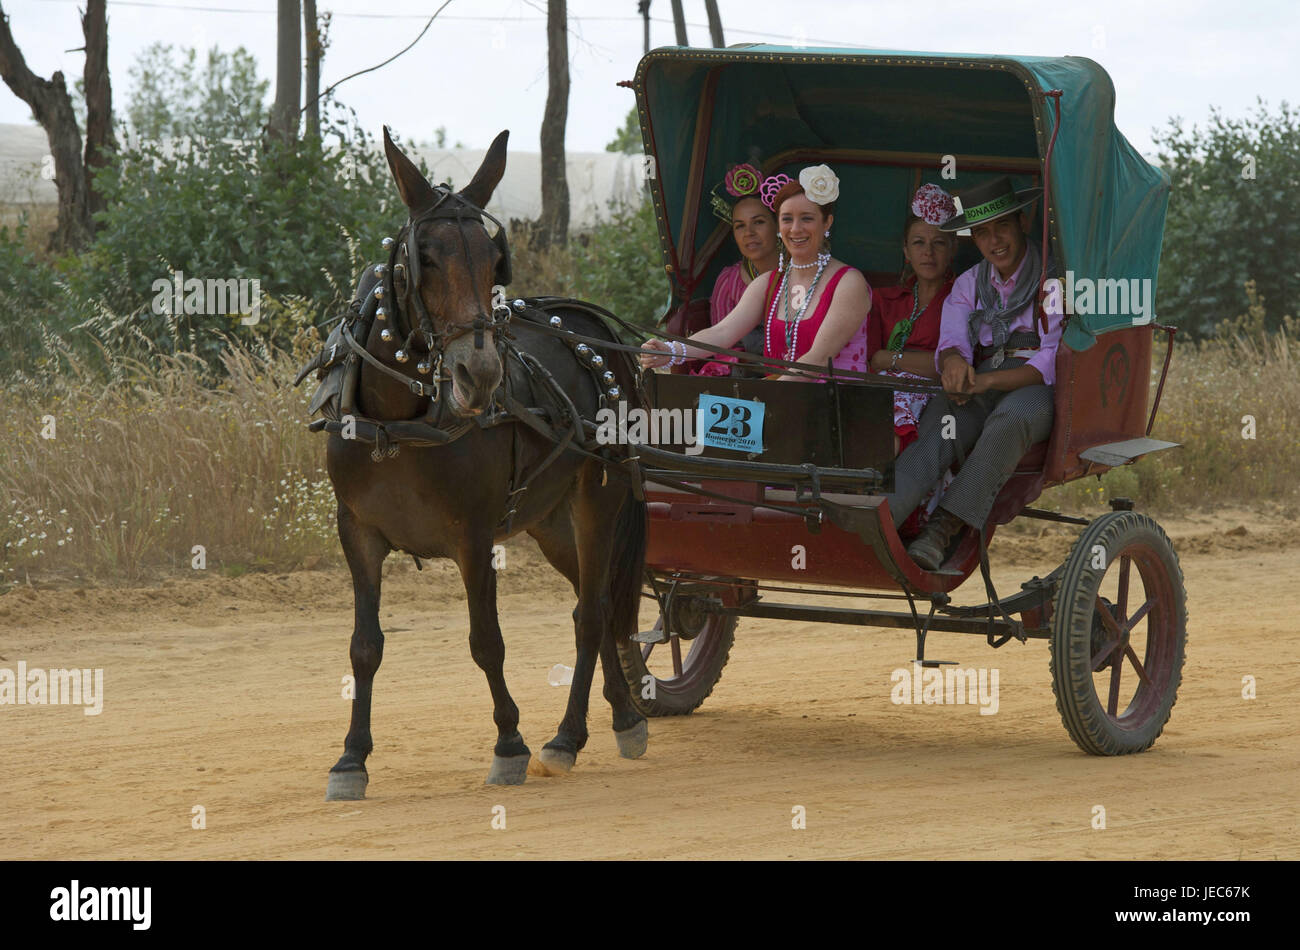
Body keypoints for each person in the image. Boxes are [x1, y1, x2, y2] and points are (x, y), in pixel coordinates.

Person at [886, 175, 1062, 570]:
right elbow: (952, 340)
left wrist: (986, 381)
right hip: (981, 375)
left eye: (1002, 227)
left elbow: (1050, 358)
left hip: (1034, 385)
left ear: (1022, 224)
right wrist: (954, 368)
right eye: (982, 233)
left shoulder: (1052, 280)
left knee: (1010, 419)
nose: (994, 241)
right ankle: (884, 519)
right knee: (943, 418)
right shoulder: (969, 283)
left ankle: (944, 528)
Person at [641, 164, 872, 380]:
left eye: (807, 218)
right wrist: (671, 350)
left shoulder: (849, 283)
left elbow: (818, 359)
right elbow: (721, 333)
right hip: (783, 404)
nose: (795, 229)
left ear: (827, 222)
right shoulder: (768, 284)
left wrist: (768, 398)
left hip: (836, 410)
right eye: (787, 219)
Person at [866, 184, 958, 455]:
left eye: (938, 243)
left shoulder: (961, 300)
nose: (928, 252)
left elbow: (949, 366)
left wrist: (890, 358)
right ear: (906, 251)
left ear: (952, 250)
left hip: (936, 398)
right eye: (919, 243)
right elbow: (871, 359)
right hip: (880, 391)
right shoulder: (884, 299)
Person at [692, 164, 781, 376]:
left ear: (778, 225)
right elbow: (723, 343)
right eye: (739, 225)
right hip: (746, 375)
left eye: (758, 222)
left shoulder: (800, 275)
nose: (748, 232)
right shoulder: (729, 281)